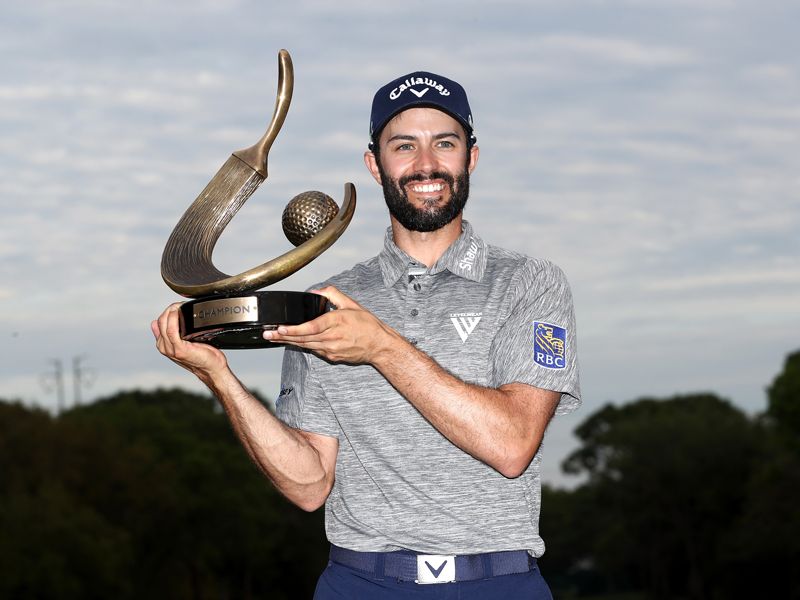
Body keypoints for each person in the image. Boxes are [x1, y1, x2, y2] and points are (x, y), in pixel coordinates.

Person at [152, 70, 580, 599]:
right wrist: (220, 379)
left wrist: (380, 346)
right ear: (374, 165)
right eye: (404, 146)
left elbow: (511, 444)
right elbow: (309, 485)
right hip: (360, 583)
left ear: (470, 156)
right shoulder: (328, 303)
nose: (426, 165)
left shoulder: (529, 283)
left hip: (497, 582)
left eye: (444, 143)